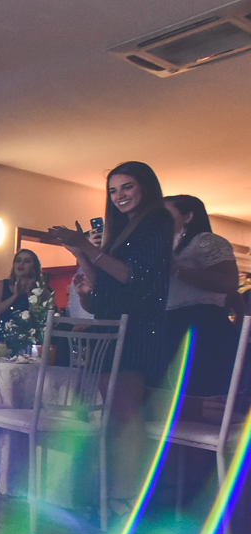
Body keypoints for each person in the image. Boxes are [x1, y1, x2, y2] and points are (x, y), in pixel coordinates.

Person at [49, 161, 173, 512]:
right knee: (114, 415)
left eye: (127, 187)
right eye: (113, 190)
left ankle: (125, 497)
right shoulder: (123, 230)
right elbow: (105, 283)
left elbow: (134, 277)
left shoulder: (157, 220)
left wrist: (88, 248)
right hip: (113, 327)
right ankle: (111, 490)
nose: (119, 196)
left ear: (145, 187)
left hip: (137, 329)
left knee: (126, 414)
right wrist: (79, 252)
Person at [163, 194, 240, 400]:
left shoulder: (205, 241)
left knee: (196, 388)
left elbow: (229, 283)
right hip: (168, 321)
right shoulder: (166, 245)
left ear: (188, 216)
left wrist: (177, 270)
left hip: (201, 321)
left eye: (166, 214)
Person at [0, 248, 51, 346]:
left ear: (34, 267)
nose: (21, 264)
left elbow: (40, 318)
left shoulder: (42, 290)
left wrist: (30, 293)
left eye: (27, 261)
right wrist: (15, 296)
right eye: (18, 260)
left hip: (30, 342)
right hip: (2, 340)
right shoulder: (2, 285)